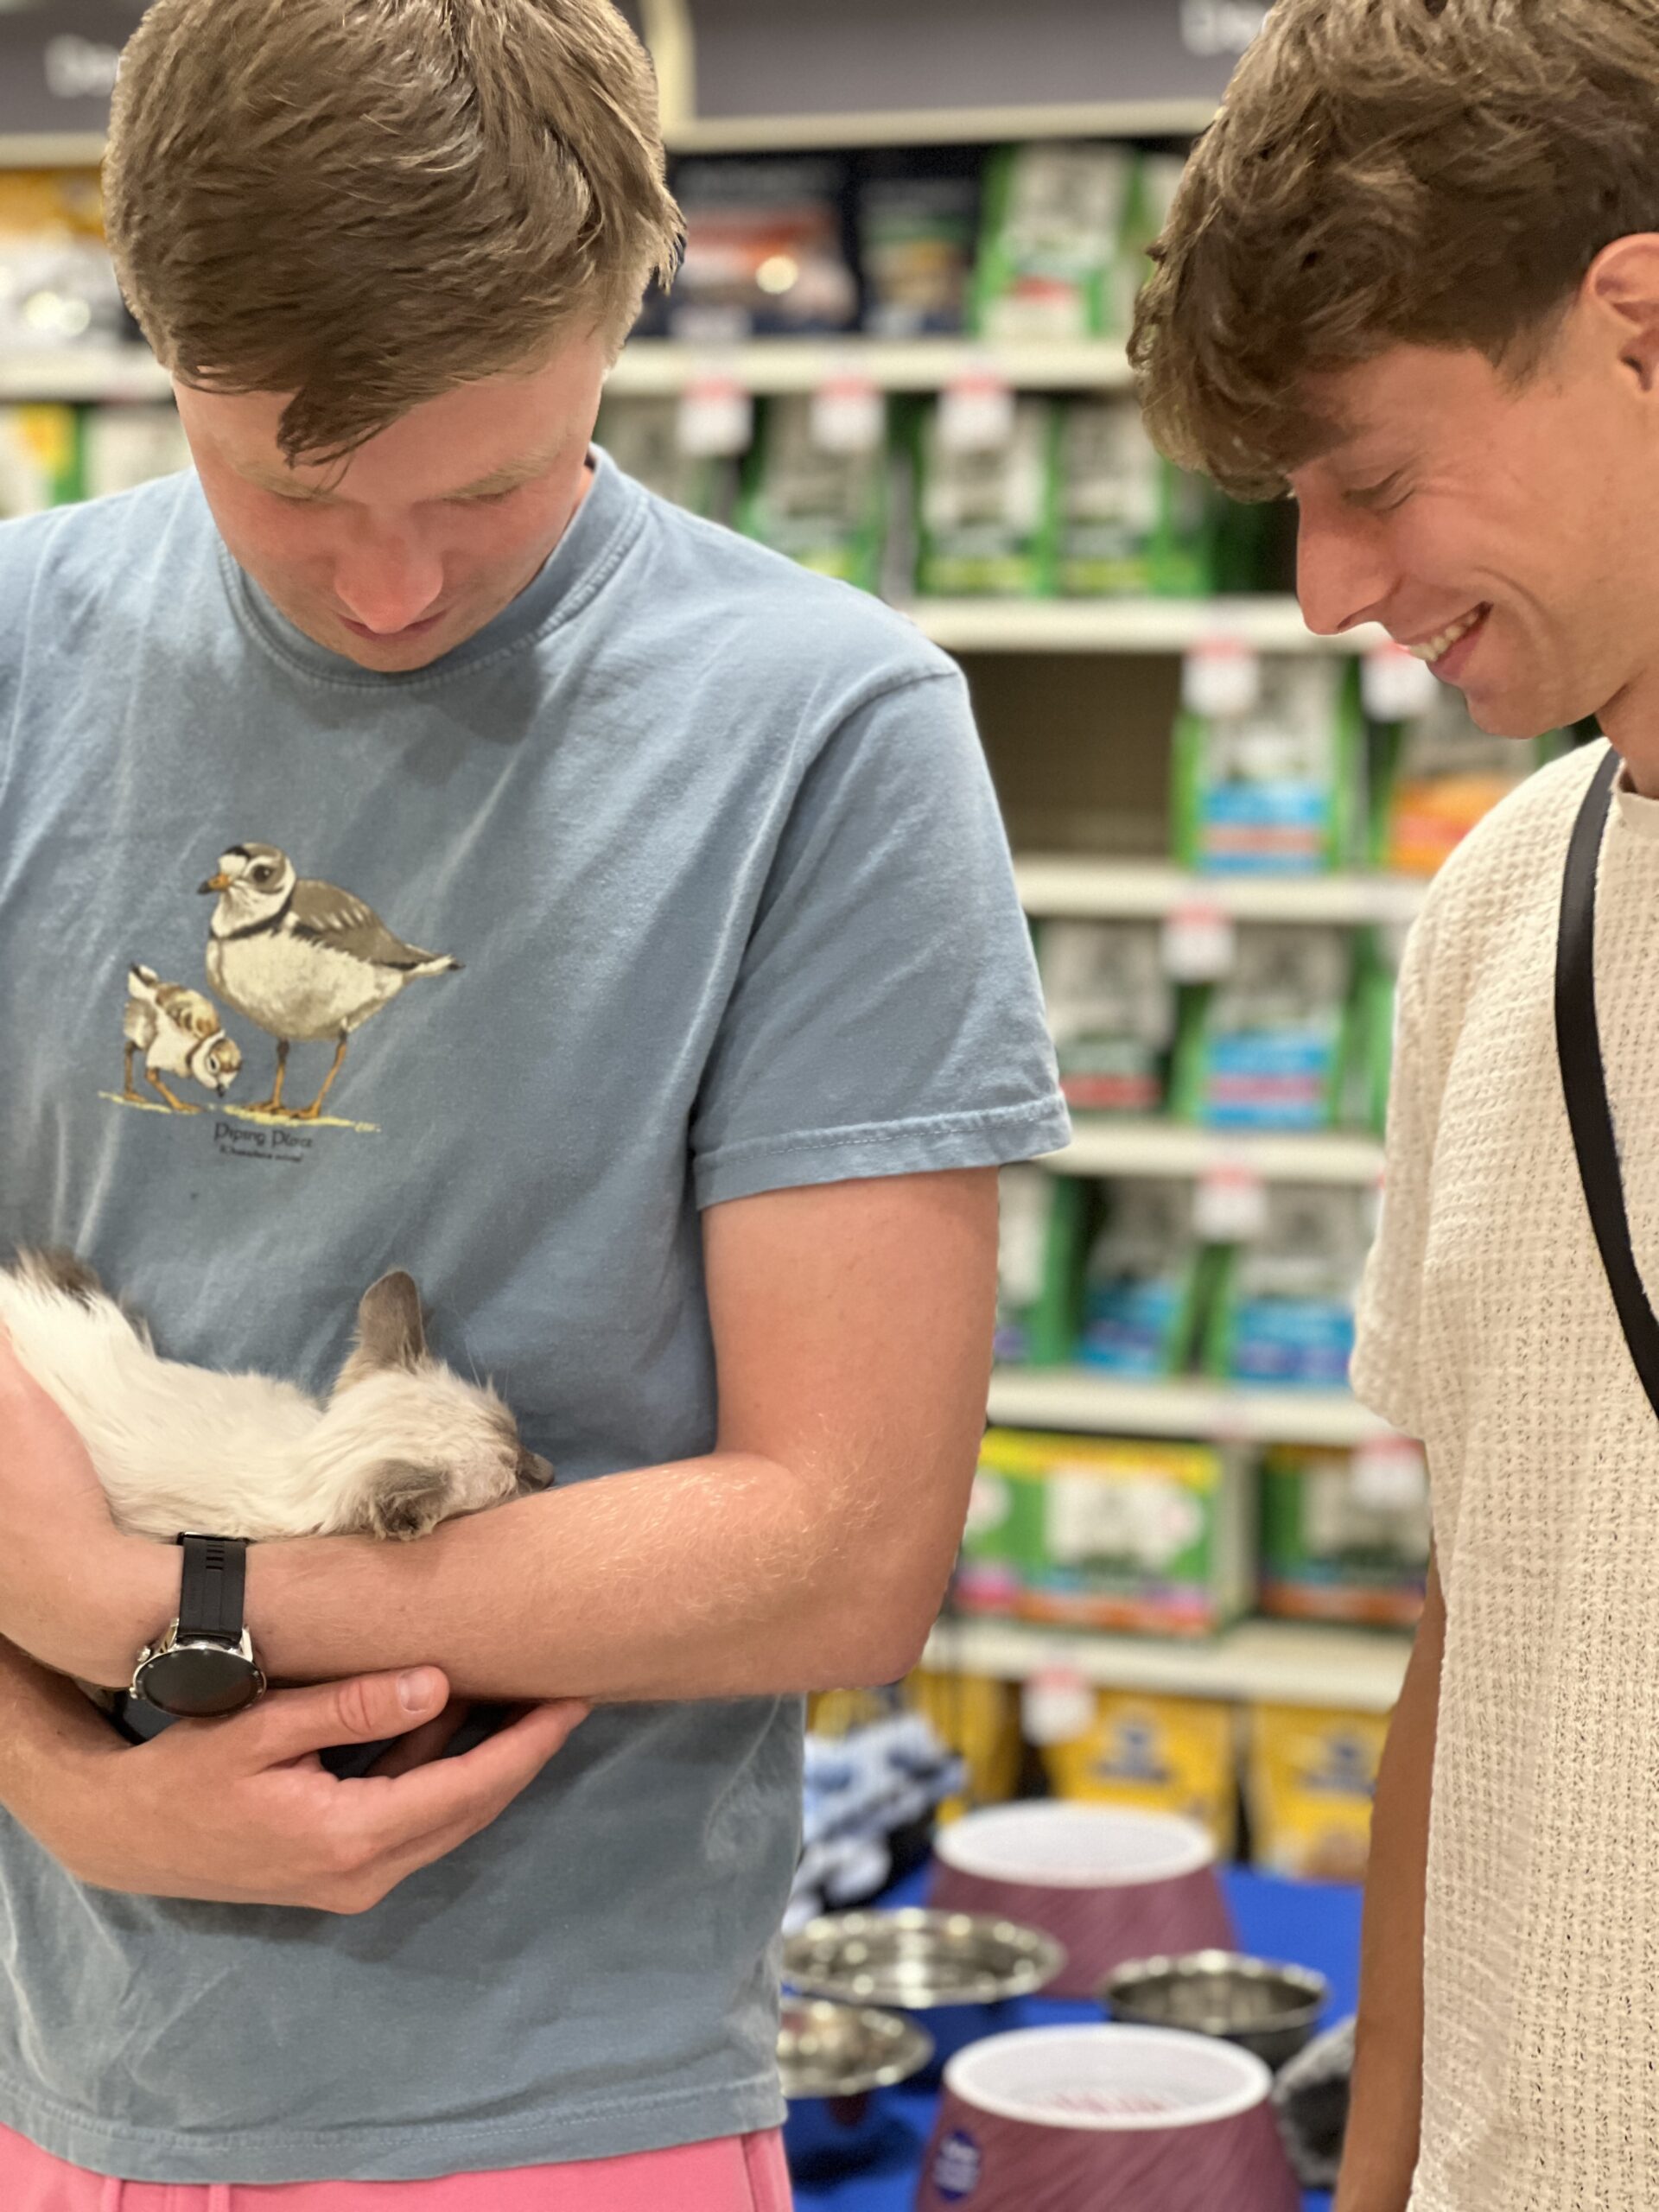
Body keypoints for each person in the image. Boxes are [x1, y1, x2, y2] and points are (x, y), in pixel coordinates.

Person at [0, 1, 1070, 2205]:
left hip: (556, 2104)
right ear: (157, 335)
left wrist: (157, 1609)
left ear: (620, 320)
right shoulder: (21, 647)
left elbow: (846, 1550)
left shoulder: (827, 734)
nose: (392, 586)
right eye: (294, 484)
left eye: (484, 484)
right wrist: (53, 1774)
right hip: (37, 2038)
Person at [1131, 2, 1659, 2208]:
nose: (1331, 592)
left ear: (1637, 328)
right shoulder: (1491, 919)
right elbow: (1486, 1600)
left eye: (1369, 476)